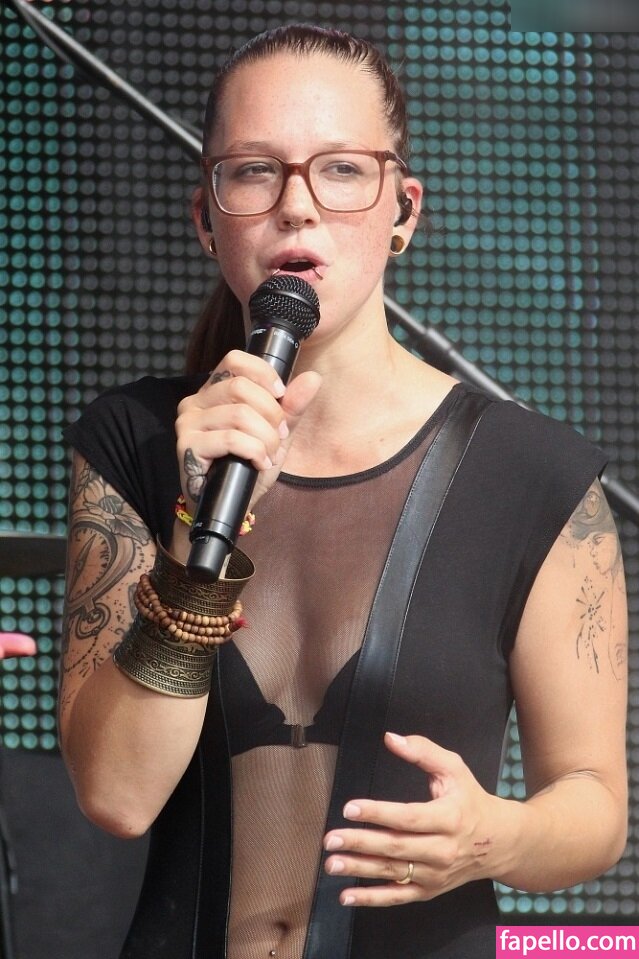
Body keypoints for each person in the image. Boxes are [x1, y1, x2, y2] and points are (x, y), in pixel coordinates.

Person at [58, 24, 628, 959]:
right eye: (254, 171)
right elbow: (117, 794)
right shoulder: (137, 441)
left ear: (403, 209)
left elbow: (594, 805)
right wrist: (198, 525)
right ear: (205, 217)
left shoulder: (532, 473)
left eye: (341, 171)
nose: (296, 207)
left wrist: (492, 835)